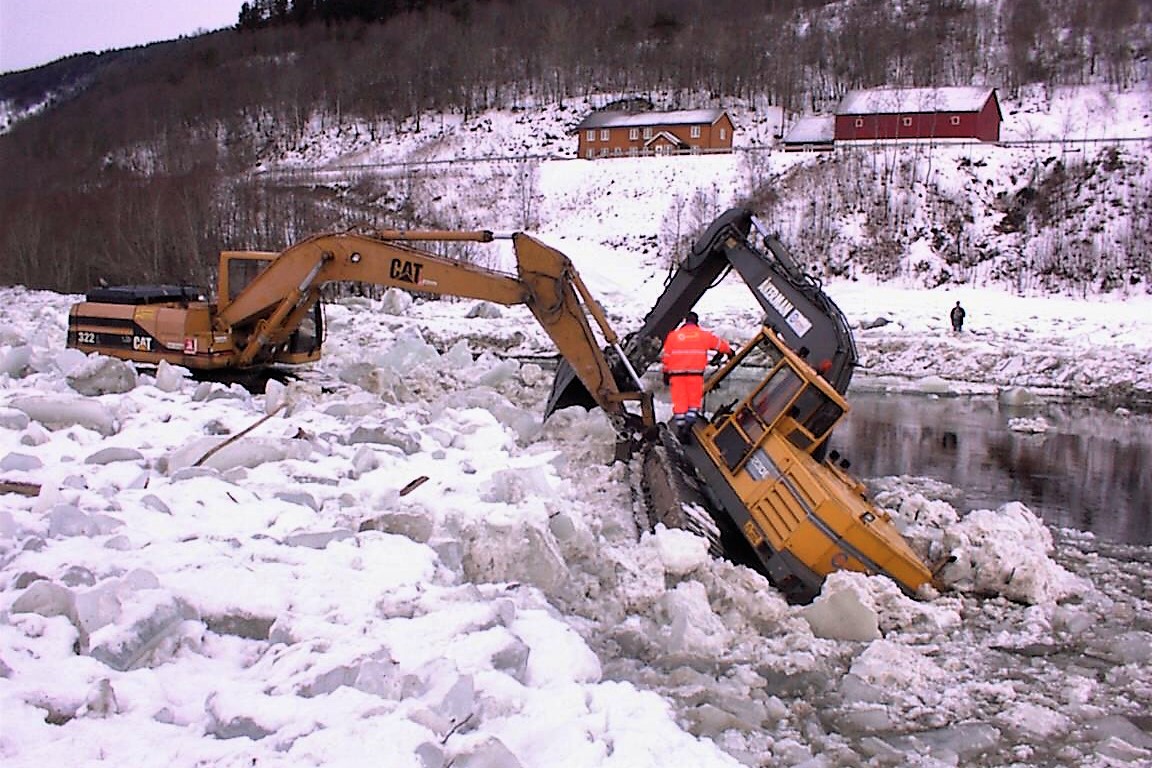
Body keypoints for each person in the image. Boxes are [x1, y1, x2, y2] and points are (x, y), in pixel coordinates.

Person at [661, 311, 733, 440]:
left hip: (676, 376)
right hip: (695, 376)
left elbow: (667, 356)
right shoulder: (703, 336)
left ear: (685, 321)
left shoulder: (673, 336)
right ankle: (689, 425)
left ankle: (681, 428)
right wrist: (729, 352)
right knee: (693, 403)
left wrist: (666, 373)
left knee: (680, 403)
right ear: (696, 322)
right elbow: (719, 345)